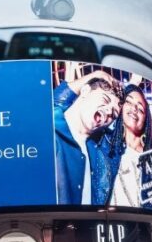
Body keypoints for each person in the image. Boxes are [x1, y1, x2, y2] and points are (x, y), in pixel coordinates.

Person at [53, 69, 123, 205]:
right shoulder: (50, 128)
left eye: (114, 114)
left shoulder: (100, 151)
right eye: (105, 99)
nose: (109, 111)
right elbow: (40, 108)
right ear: (85, 91)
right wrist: (96, 75)